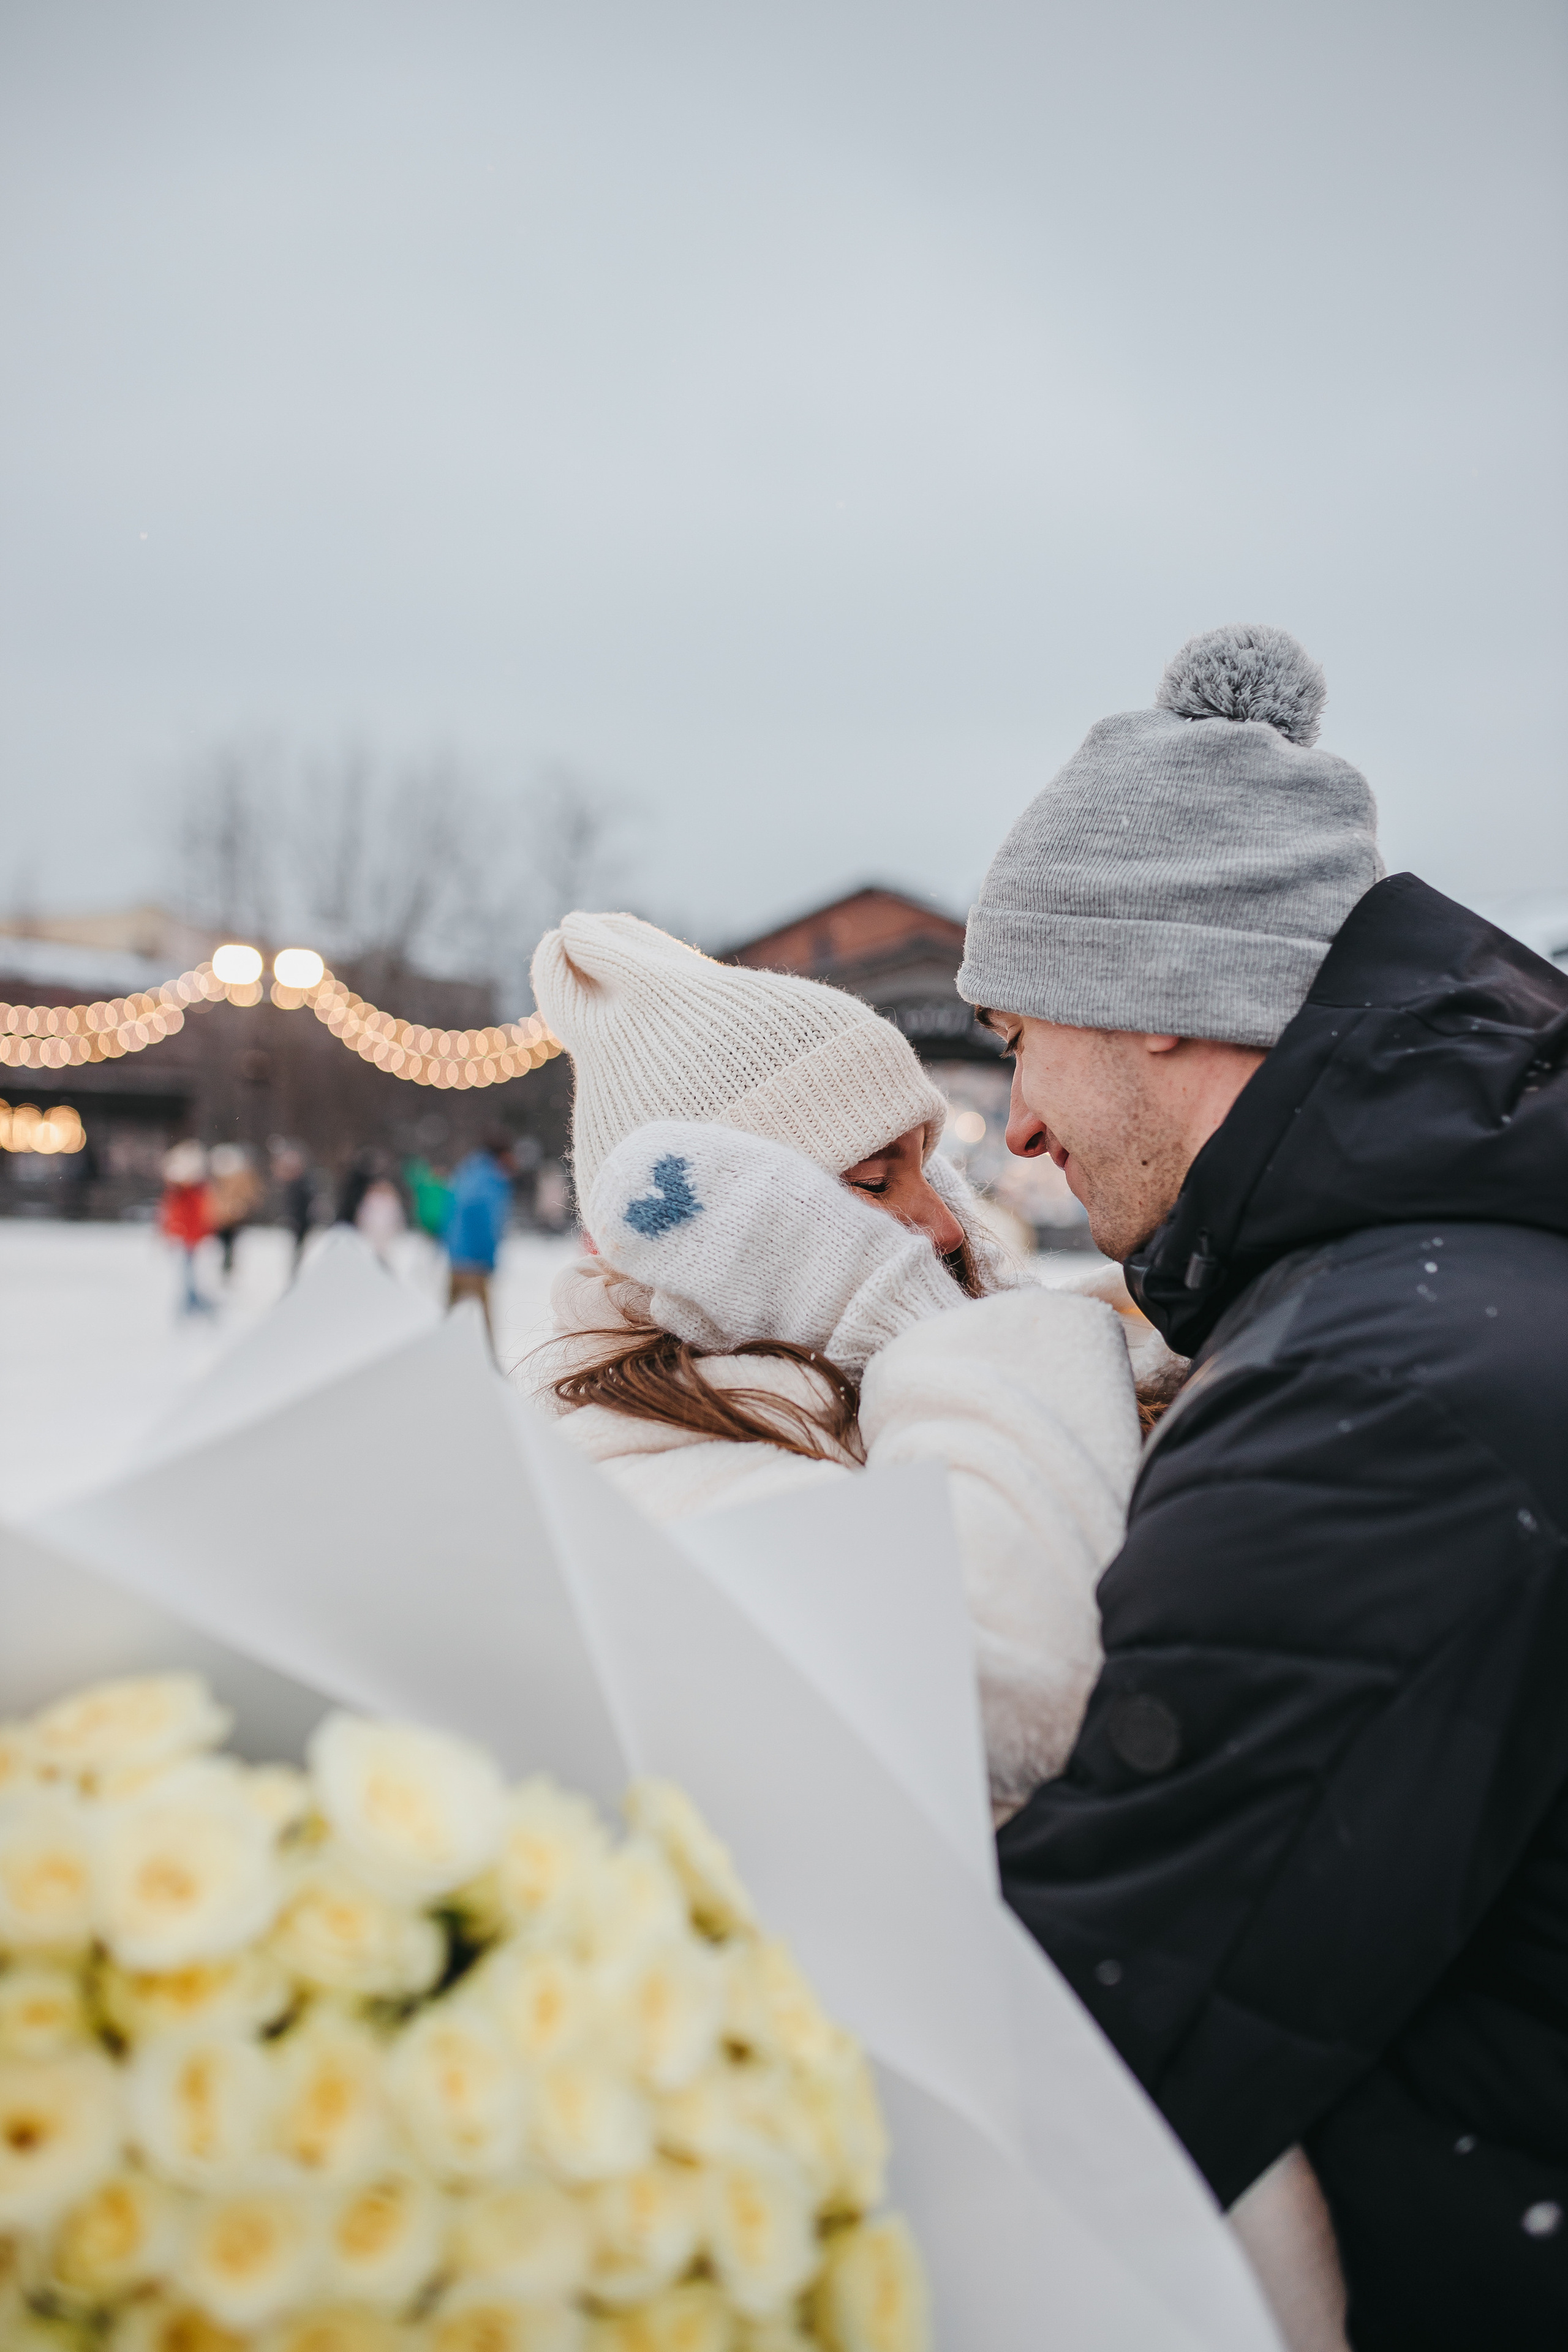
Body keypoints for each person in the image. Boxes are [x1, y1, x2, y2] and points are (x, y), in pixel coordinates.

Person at [957, 624, 1568, 2350]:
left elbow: (1119, 2013)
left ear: (1161, 1003)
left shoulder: (1387, 1391)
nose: (1011, 1126)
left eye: (1017, 1037)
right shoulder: (1455, 1287)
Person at [527, 911, 1159, 1815]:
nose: (945, 1229)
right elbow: (1030, 1682)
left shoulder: (851, 1375)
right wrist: (897, 1304)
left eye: (927, 1173)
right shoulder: (632, 1462)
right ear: (731, 1229)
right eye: (873, 1183)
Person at [444, 1129, 516, 1342]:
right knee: (480, 1324)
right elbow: (486, 1222)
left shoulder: (469, 1171)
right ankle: (484, 1367)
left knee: (453, 1316)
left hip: (458, 1255)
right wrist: (487, 1257)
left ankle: (446, 1358)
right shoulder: (489, 1181)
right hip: (475, 1260)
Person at [159, 1138, 213, 1314]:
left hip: (190, 1238)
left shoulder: (193, 1193)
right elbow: (170, 1214)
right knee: (187, 1273)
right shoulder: (178, 1192)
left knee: (190, 1273)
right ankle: (192, 1302)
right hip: (184, 1238)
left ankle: (195, 1304)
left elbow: (198, 1216)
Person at [206, 1142, 263, 1279]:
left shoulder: (240, 1176)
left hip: (232, 1218)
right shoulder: (218, 1177)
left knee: (229, 1246)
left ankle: (227, 1270)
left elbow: (250, 1194)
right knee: (220, 1246)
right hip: (220, 1218)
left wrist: (239, 1206)